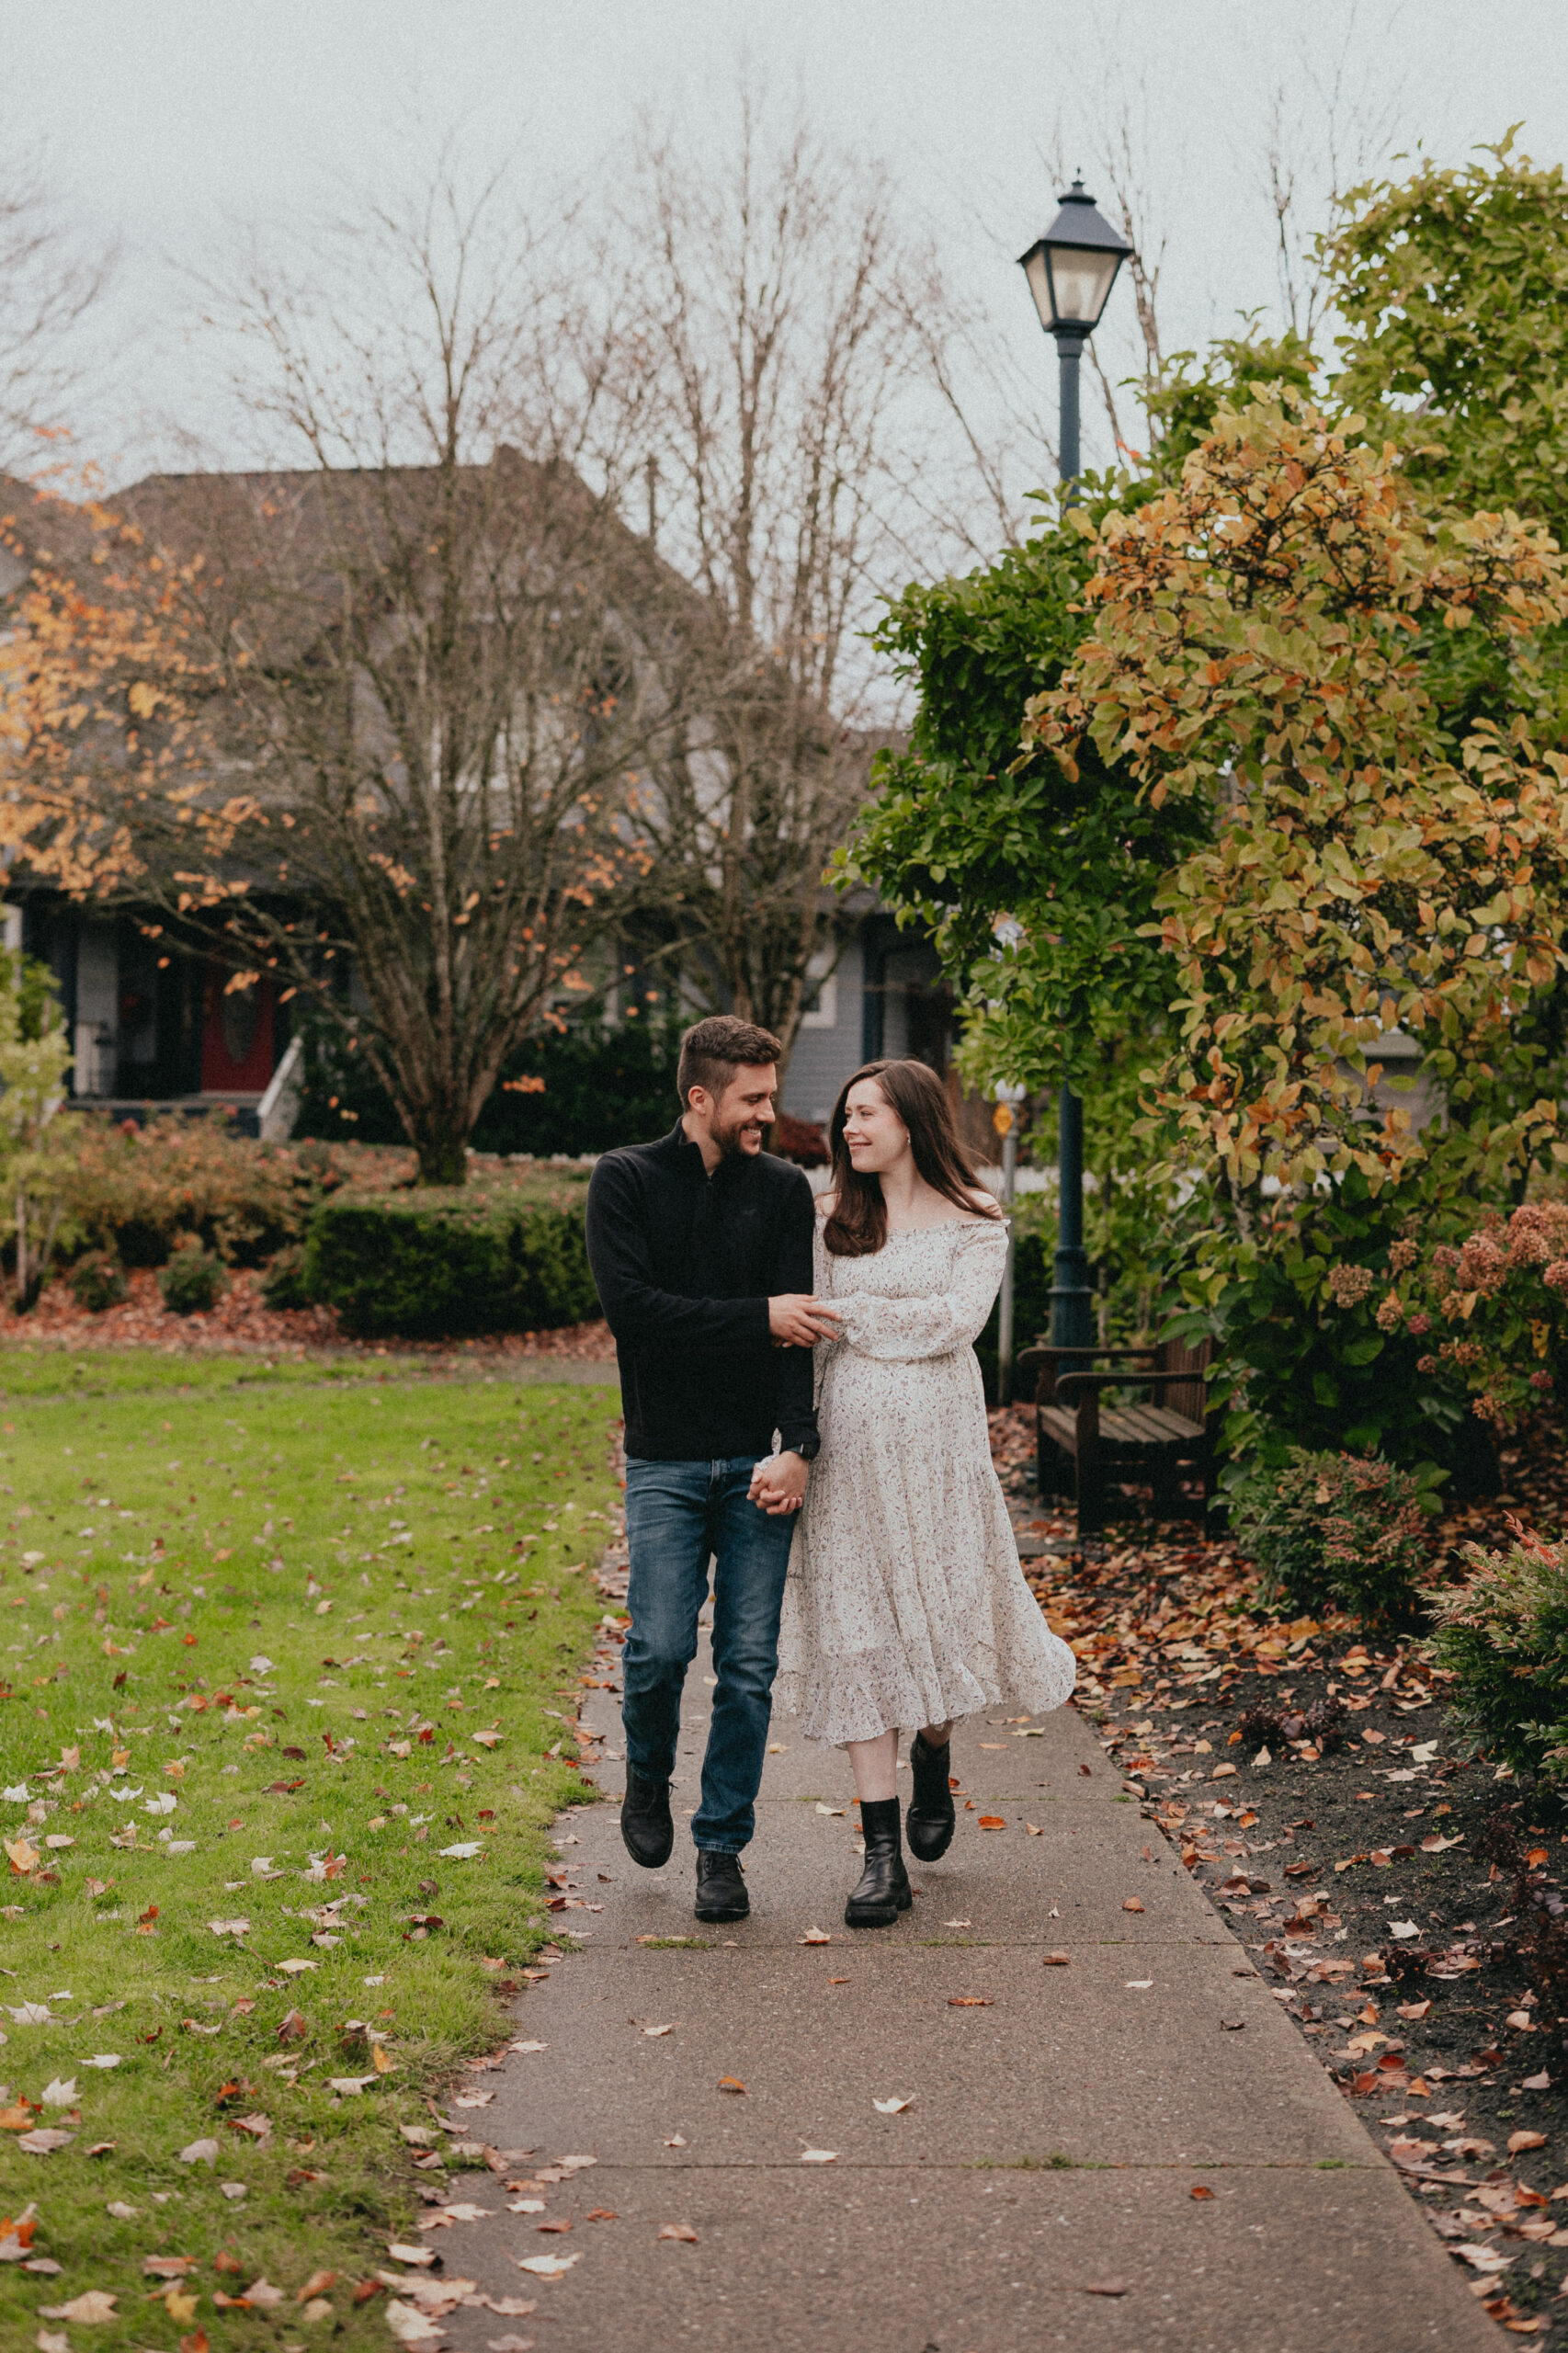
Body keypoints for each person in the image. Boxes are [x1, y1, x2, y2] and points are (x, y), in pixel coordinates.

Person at [763, 1057, 1076, 1927]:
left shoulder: (977, 1221)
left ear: (912, 1120)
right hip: (849, 1461)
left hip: (941, 1458)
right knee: (862, 1637)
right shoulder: (828, 1218)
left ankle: (936, 1751)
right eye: (845, 1115)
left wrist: (855, 1318)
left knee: (937, 1627)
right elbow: (807, 1334)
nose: (849, 1129)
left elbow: (957, 1322)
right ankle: (879, 1856)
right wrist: (799, 1436)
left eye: (866, 1113)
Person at [585, 1015, 837, 1925]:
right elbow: (636, 1313)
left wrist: (799, 1447)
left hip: (753, 1463)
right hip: (662, 1456)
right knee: (656, 1649)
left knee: (749, 1666)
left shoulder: (778, 1190)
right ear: (701, 1099)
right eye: (753, 1098)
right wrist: (753, 1315)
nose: (770, 1112)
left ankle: (720, 1846)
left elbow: (795, 1334)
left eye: (770, 1095)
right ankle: (644, 1776)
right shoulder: (623, 1179)